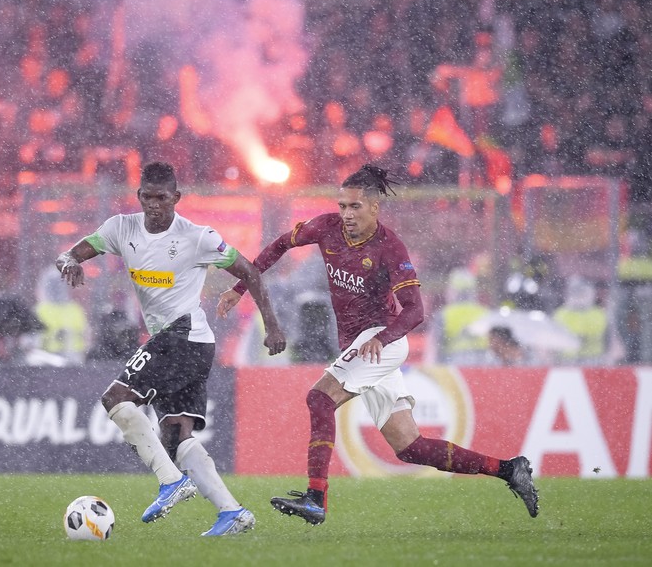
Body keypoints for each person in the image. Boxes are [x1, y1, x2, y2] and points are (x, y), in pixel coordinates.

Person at [218, 164, 539, 525]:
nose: (346, 214)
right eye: (342, 206)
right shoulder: (325, 228)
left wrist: (382, 339)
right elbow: (279, 245)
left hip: (381, 339)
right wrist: (238, 288)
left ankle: (316, 497)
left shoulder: (389, 247)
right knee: (411, 448)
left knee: (319, 398)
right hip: (359, 344)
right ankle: (509, 469)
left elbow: (415, 310)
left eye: (355, 207)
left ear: (374, 208)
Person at [55, 161, 286, 536]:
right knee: (177, 437)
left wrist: (272, 325)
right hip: (180, 342)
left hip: (185, 336)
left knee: (115, 399)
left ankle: (170, 482)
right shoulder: (120, 228)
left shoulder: (199, 237)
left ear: (176, 198)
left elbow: (250, 270)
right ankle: (232, 513)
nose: (154, 205)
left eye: (162, 198)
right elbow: (70, 253)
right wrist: (69, 263)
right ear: (139, 196)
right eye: (147, 197)